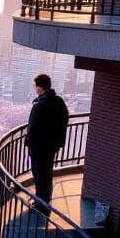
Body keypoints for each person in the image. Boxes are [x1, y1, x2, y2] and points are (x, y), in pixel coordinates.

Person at [26, 73, 69, 211]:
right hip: (52, 145)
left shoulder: (39, 106)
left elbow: (32, 128)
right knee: (47, 172)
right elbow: (64, 120)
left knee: (39, 174)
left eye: (35, 86)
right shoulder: (59, 101)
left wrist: (29, 143)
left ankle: (40, 204)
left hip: (39, 147)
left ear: (39, 87)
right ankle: (45, 201)